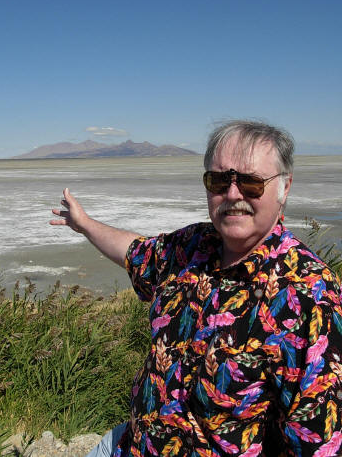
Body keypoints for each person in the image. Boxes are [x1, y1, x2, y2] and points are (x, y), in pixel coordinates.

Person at [51, 120, 342, 457]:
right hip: (129, 445)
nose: (233, 194)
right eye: (219, 180)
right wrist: (85, 225)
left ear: (284, 188)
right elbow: (136, 252)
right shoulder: (192, 247)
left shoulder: (309, 295)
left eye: (251, 182)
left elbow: (318, 442)